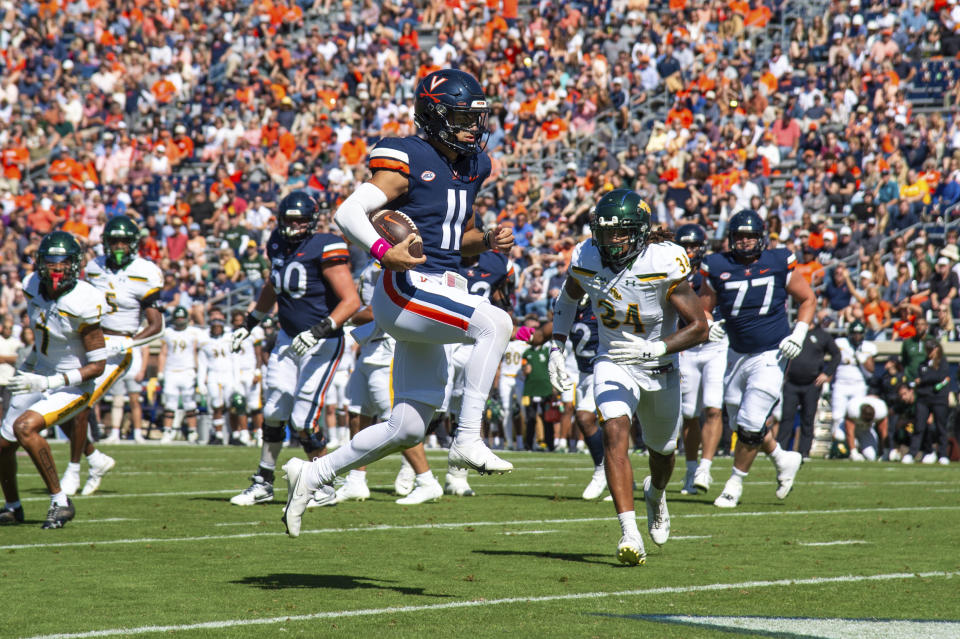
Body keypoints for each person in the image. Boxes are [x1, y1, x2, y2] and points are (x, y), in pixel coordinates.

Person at [282, 69, 515, 537]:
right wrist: (385, 252)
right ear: (434, 116)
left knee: (408, 427)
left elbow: (455, 240)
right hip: (404, 287)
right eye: (461, 117)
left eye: (477, 118)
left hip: (442, 285)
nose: (473, 127)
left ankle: (315, 473)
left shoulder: (474, 166)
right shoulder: (408, 154)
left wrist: (485, 238)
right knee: (496, 323)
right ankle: (467, 438)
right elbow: (348, 212)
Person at [550, 189, 708, 566]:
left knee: (663, 453)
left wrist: (656, 348)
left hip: (658, 364)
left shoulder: (664, 259)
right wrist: (557, 344)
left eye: (620, 233)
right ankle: (629, 531)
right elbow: (568, 298)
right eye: (605, 233)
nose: (612, 241)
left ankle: (656, 493)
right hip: (613, 359)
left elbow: (700, 326)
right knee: (615, 430)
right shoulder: (586, 255)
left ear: (639, 232)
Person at [229, 191, 360, 507]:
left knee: (303, 419)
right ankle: (263, 482)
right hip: (288, 338)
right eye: (289, 220)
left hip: (322, 341)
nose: (295, 225)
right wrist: (249, 323)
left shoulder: (325, 245)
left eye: (301, 220)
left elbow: (351, 301)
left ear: (312, 220)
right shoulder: (275, 243)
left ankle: (325, 486)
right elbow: (274, 286)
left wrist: (318, 331)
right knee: (274, 410)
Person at [700, 209, 814, 509]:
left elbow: (807, 299)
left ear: (761, 237)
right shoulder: (717, 264)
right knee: (740, 422)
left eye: (751, 235)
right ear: (731, 238)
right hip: (736, 353)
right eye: (740, 236)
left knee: (750, 423)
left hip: (771, 353)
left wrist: (798, 334)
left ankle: (734, 484)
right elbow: (704, 307)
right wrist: (708, 323)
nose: (746, 241)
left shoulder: (778, 261)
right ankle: (782, 457)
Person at [0, 232, 107, 528]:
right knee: (2, 445)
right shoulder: (31, 285)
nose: (55, 269)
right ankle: (13, 507)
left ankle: (60, 501)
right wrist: (30, 367)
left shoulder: (85, 299)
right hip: (39, 370)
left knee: (25, 427)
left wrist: (49, 383)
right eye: (49, 263)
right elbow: (45, 337)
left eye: (62, 263)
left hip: (74, 384)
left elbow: (98, 366)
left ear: (74, 265)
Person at [61, 216, 164, 497]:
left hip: (118, 344)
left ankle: (73, 469)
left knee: (80, 405)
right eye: (113, 240)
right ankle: (95, 459)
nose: (118, 246)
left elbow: (157, 325)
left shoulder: (147, 271)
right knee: (60, 406)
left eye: (123, 241)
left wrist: (127, 342)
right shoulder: (93, 267)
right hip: (89, 338)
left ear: (133, 244)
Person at [672, 223, 727, 496]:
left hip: (715, 345)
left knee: (714, 407)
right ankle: (691, 469)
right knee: (689, 413)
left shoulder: (712, 270)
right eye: (685, 245)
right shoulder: (671, 272)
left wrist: (716, 321)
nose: (690, 251)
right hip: (687, 348)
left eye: (694, 246)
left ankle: (705, 467)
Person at [777, 317, 840, 457]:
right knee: (786, 417)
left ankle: (804, 451)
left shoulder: (822, 335)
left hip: (812, 384)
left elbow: (836, 355)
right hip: (791, 382)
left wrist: (827, 374)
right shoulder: (793, 333)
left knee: (808, 418)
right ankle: (781, 451)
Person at [157, 307, 202, 442]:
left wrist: (197, 371)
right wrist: (160, 371)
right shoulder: (168, 332)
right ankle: (167, 432)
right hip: (171, 370)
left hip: (187, 370)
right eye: (178, 318)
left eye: (182, 318)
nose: (180, 321)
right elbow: (163, 353)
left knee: (190, 402)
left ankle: (192, 432)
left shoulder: (193, 332)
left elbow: (196, 353)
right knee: (170, 402)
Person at [830, 321, 876, 441]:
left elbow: (871, 371)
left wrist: (863, 360)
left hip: (858, 385)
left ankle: (854, 443)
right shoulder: (841, 343)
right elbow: (833, 362)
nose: (857, 336)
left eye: (860, 333)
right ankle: (839, 446)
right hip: (841, 383)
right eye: (855, 333)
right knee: (837, 416)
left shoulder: (867, 347)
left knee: (857, 414)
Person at [907, 339, 951, 465]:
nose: (929, 352)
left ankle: (943, 454)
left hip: (939, 399)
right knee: (919, 426)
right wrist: (923, 381)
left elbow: (940, 377)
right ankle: (912, 453)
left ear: (937, 349)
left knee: (940, 427)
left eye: (932, 349)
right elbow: (922, 379)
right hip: (924, 399)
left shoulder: (943, 363)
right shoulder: (923, 364)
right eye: (928, 349)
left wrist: (923, 380)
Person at [197, 307, 236, 445]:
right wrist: (200, 382)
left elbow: (235, 360)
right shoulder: (204, 339)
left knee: (232, 404)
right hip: (214, 375)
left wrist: (237, 379)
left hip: (229, 375)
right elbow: (202, 364)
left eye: (219, 325)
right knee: (216, 404)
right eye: (214, 325)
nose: (217, 328)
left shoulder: (230, 337)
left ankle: (234, 434)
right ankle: (218, 434)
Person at [229, 309, 265, 446]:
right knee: (240, 404)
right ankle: (244, 433)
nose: (238, 323)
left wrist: (257, 371)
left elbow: (259, 354)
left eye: (240, 320)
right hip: (237, 373)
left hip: (250, 372)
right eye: (236, 321)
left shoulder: (254, 333)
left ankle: (259, 433)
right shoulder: (229, 334)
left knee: (255, 406)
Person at [843, 395, 888, 461]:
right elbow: (849, 431)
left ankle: (859, 451)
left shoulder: (881, 410)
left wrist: (886, 452)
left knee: (871, 456)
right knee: (839, 436)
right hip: (848, 429)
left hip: (865, 430)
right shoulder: (853, 409)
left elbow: (884, 432)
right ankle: (842, 453)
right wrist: (853, 452)